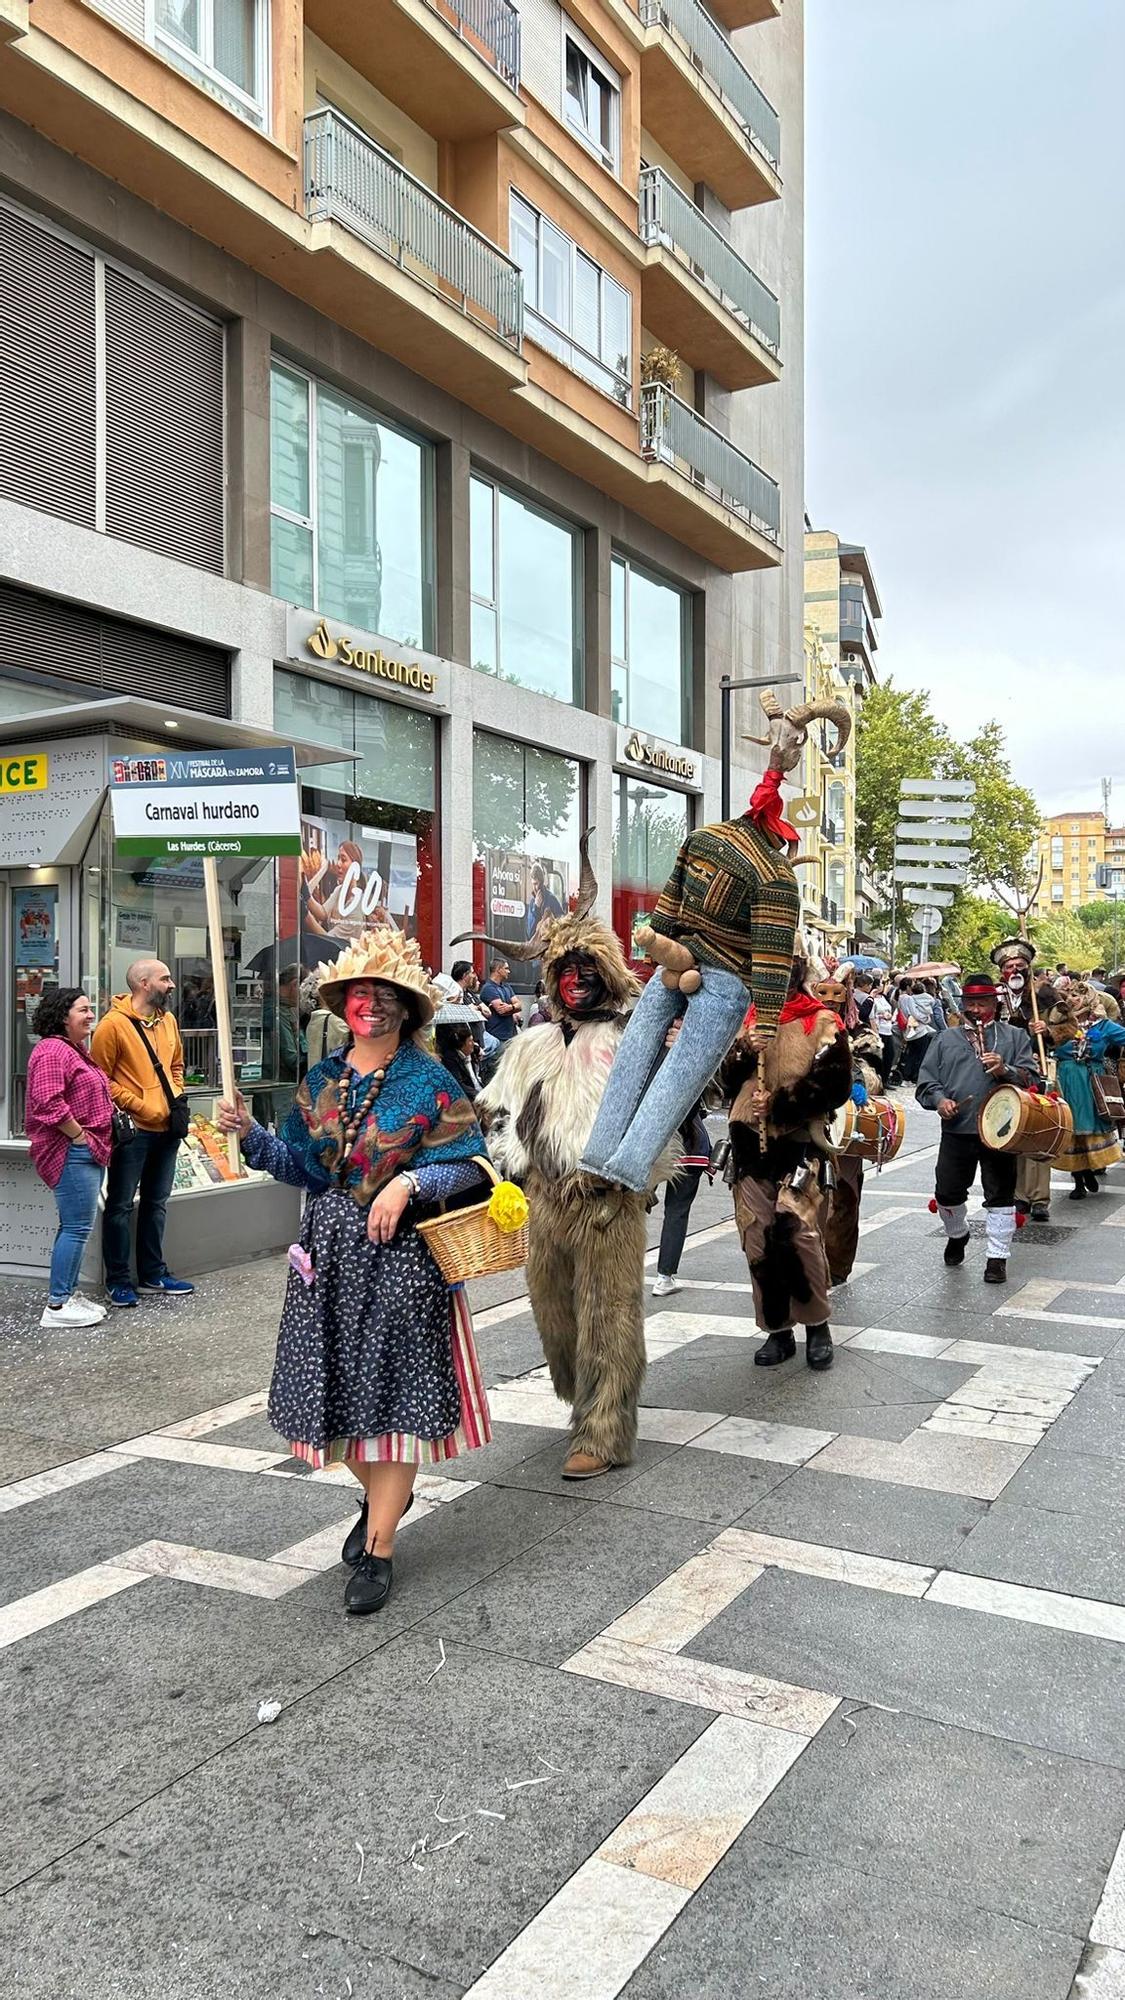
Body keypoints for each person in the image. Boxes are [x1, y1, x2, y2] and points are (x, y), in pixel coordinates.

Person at [217, 930, 492, 1617]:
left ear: (407, 1007)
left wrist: (411, 1182)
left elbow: (475, 1165)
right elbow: (303, 1168)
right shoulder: (320, 1080)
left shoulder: (431, 1080)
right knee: (335, 1397)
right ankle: (383, 1499)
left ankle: (379, 1549)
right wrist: (250, 1135)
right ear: (342, 1003)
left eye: (384, 993)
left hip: (403, 1265)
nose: (370, 1003)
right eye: (359, 993)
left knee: (395, 1403)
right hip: (329, 1263)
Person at [468, 835, 671, 1478]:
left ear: (607, 973)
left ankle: (603, 1432)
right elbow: (493, 1112)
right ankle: (578, 1395)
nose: (576, 980)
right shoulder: (529, 1044)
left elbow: (670, 1107)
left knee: (609, 1314)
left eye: (587, 969)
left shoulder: (633, 1038)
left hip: (609, 1197)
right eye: (564, 971)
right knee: (554, 1313)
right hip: (544, 1198)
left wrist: (635, 1178)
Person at [723, 949, 853, 1370]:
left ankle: (817, 1326)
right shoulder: (746, 1021)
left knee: (798, 1231)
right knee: (757, 1236)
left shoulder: (823, 1021)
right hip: (749, 1143)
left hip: (800, 1143)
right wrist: (745, 1050)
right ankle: (777, 1329)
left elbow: (836, 1083)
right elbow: (723, 1080)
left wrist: (780, 1105)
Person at [915, 973, 1041, 1284]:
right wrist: (940, 1100)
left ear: (995, 1005)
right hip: (957, 1128)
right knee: (947, 1193)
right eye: (970, 1003)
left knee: (1001, 1195)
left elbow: (1033, 1080)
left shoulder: (1014, 1036)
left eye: (982, 1003)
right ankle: (958, 1234)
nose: (975, 1009)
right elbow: (927, 1082)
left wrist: (1005, 1069)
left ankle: (997, 1258)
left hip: (1002, 1130)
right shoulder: (944, 1039)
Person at [92, 959, 195, 1307]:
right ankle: (118, 1280)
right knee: (120, 1205)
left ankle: (153, 1274)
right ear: (143, 983)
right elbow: (101, 1080)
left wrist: (175, 1094)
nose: (171, 984)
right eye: (164, 979)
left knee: (156, 1203)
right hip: (134, 1132)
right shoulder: (112, 1026)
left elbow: (176, 1065)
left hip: (168, 1128)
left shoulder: (169, 1021)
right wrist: (139, 1105)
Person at [26, 987, 114, 1329]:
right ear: (63, 1016)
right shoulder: (52, 1050)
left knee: (76, 1226)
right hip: (71, 1150)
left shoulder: (72, 1049)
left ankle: (68, 1293)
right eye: (83, 1009)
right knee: (77, 1228)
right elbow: (48, 1102)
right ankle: (58, 1304)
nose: (91, 1015)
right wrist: (79, 1136)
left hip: (84, 1148)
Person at [817, 974, 883, 1288]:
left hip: (846, 1124)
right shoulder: (802, 1026)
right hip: (809, 1119)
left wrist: (859, 1080)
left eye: (837, 994)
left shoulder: (860, 1032)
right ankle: (810, 1262)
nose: (830, 1001)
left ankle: (837, 1265)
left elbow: (875, 1070)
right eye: (823, 993)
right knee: (810, 1196)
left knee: (844, 1195)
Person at [991, 935, 1052, 1222]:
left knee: (1037, 1132)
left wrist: (1048, 1030)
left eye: (1019, 965)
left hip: (1037, 1070)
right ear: (1002, 971)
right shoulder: (994, 997)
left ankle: (1039, 1197)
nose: (1014, 970)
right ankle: (1018, 1195)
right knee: (1009, 1131)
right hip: (1004, 1072)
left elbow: (1071, 1028)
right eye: (1009, 966)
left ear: (1028, 967)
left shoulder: (1044, 994)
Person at [1044, 984, 1125, 1198]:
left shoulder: (1104, 1026)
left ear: (1089, 998)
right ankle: (1079, 1179)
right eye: (1070, 995)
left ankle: (1089, 1168)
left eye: (1078, 995)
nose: (1072, 999)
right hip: (1065, 1080)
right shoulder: (1061, 1022)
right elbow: (1043, 1041)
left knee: (1088, 1127)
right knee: (1070, 1127)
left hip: (1090, 1081)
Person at [652, 1019, 713, 1297]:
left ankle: (619, 1269)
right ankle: (664, 1276)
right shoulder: (693, 1054)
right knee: (676, 1211)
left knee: (628, 1207)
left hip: (651, 1143)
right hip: (689, 1143)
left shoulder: (647, 1053)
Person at [898, 978, 938, 1083]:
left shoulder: (903, 998)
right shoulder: (910, 999)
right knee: (920, 1055)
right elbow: (915, 1013)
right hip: (919, 1030)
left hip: (909, 1029)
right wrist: (926, 1019)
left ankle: (907, 1075)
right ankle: (915, 1076)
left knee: (911, 1054)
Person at [480, 957, 520, 1043]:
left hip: (511, 1035)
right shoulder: (489, 988)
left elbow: (519, 1005)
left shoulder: (507, 987)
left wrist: (511, 1007)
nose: (509, 971)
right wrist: (514, 1008)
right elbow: (502, 1011)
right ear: (498, 970)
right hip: (497, 1037)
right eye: (506, 968)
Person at [527, 864, 564, 935]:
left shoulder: (551, 899)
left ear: (541, 882)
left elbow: (562, 923)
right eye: (533, 884)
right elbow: (530, 933)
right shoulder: (532, 903)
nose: (535, 888)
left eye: (536, 884)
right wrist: (536, 908)